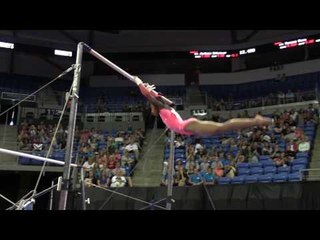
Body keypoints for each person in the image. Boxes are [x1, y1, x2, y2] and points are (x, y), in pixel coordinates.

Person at [133, 76, 272, 136]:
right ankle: (255, 122)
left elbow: (148, 97)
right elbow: (153, 111)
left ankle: (256, 121)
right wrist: (151, 91)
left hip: (185, 126)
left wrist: (138, 81)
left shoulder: (164, 108)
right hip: (185, 128)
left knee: (221, 128)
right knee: (220, 129)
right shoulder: (164, 109)